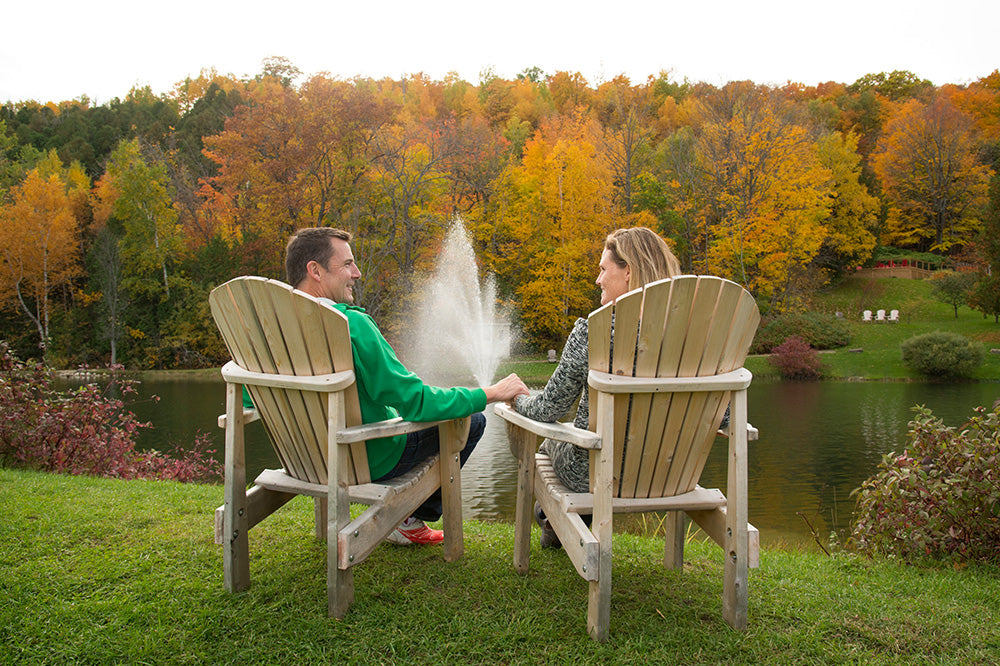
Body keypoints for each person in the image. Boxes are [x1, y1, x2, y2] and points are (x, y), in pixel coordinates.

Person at [286, 227, 529, 545]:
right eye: (347, 264)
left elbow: (250, 401)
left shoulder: (270, 330)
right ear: (315, 270)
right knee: (471, 421)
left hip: (302, 458)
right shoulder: (352, 325)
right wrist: (491, 393)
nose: (357, 273)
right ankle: (409, 519)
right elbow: (415, 401)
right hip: (367, 458)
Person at [511, 227, 682, 548]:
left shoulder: (595, 331)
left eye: (604, 269)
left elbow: (549, 409)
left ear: (628, 271)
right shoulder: (690, 336)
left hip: (594, 475)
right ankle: (555, 524)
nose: (597, 279)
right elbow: (724, 417)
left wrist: (519, 399)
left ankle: (553, 523)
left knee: (548, 444)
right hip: (671, 472)